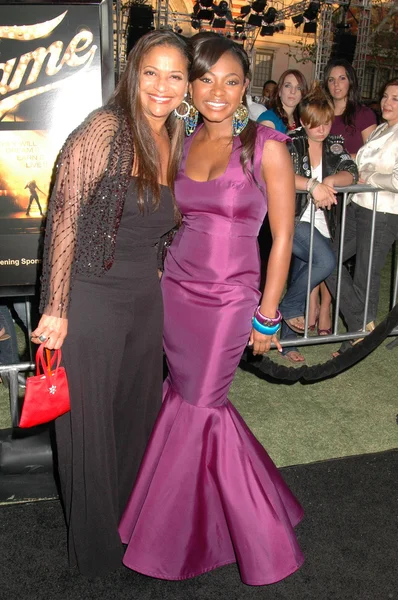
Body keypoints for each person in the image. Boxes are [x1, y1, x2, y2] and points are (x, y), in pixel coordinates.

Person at [120, 33, 304, 586]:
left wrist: (268, 314)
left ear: (247, 86)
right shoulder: (181, 138)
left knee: (202, 405)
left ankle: (253, 541)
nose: (217, 91)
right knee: (186, 403)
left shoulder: (266, 144)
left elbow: (284, 237)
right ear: (191, 88)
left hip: (229, 298)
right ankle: (208, 520)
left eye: (231, 80)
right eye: (205, 80)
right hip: (176, 289)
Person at [31, 30, 191, 577]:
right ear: (133, 73)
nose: (162, 86)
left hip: (144, 301)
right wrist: (56, 307)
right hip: (91, 297)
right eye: (152, 72)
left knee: (135, 418)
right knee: (88, 427)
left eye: (175, 75)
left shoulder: (175, 134)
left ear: (187, 83)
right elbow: (65, 215)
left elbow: (168, 223)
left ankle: (130, 530)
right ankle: (96, 555)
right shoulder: (105, 128)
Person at [279, 86, 358, 362]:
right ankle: (287, 307)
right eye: (315, 124)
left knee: (303, 273)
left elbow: (352, 171)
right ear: (303, 122)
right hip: (294, 219)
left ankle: (288, 342)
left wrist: (331, 182)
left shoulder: (335, 143)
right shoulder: (291, 141)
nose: (321, 129)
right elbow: (280, 174)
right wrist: (312, 185)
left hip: (324, 225)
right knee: (326, 262)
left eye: (326, 123)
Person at [326, 78, 398, 355]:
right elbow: (359, 159)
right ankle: (362, 326)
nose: (386, 102)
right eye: (385, 95)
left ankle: (356, 338)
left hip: (384, 212)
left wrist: (369, 177)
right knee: (326, 259)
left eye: (394, 98)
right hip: (359, 207)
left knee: (365, 275)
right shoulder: (381, 129)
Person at [323, 58, 377, 158]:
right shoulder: (321, 114)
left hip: (353, 172)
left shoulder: (364, 115)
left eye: (342, 78)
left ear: (351, 81)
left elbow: (371, 155)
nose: (336, 84)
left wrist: (339, 160)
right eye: (331, 80)